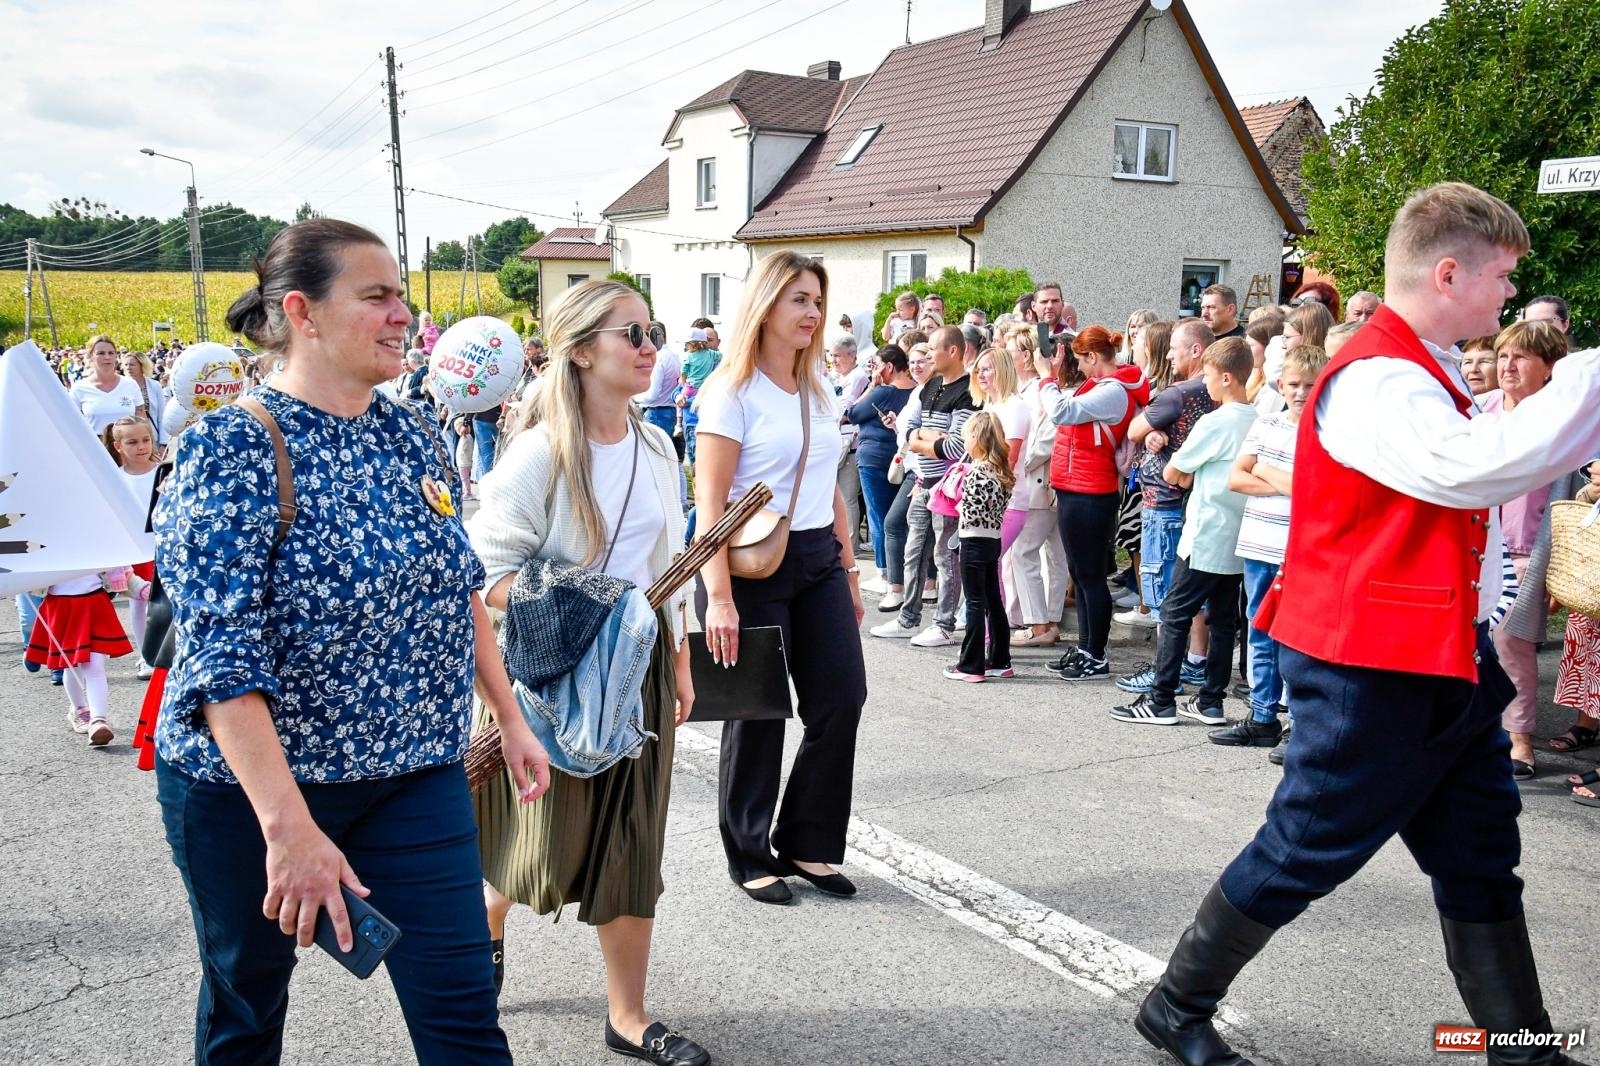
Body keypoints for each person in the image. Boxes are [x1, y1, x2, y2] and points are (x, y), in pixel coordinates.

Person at [1135, 183, 1598, 1066]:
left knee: (1480, 856)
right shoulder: (1380, 376)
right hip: (1369, 662)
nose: (1511, 294)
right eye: (1502, 276)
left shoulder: (1418, 366)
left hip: (1437, 655)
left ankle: (1523, 1050)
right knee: (1305, 847)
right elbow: (1475, 469)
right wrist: (1589, 375)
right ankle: (1176, 1006)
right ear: (1449, 273)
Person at [152, 219, 548, 1064]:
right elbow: (222, 658)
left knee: (464, 1016)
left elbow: (457, 589)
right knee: (247, 1009)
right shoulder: (231, 447)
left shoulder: (410, 433)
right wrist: (288, 828)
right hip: (252, 793)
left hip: (415, 773)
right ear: (302, 312)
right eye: (378, 297)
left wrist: (510, 719)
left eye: (402, 295)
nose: (404, 315)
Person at [468, 281, 708, 1066]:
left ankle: (628, 1016)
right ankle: (488, 916)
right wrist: (585, 602)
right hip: (552, 676)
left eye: (652, 330)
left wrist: (679, 656)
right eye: (630, 333)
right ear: (579, 352)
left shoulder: (658, 446)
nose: (649, 346)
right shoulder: (541, 452)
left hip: (637, 672)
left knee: (632, 842)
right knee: (534, 844)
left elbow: (667, 565)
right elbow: (484, 571)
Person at [694, 251, 868, 906]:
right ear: (765, 304)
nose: (813, 312)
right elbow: (710, 503)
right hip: (750, 565)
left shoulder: (819, 388)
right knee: (757, 713)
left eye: (818, 301)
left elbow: (830, 490)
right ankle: (749, 852)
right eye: (799, 299)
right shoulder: (732, 392)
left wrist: (849, 571)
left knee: (842, 698)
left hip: (819, 557)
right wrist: (718, 597)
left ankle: (806, 841)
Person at [1111, 338, 1256, 726]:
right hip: (1237, 533)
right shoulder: (1258, 418)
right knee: (1223, 619)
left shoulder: (1215, 421)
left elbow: (1175, 472)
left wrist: (1187, 471)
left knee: (1175, 613)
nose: (1205, 382)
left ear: (1226, 377)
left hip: (1206, 530)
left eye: (1209, 375)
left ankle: (1161, 699)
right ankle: (1211, 699)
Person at [1209, 345, 1329, 749]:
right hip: (1259, 544)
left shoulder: (1328, 431)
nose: (1300, 392)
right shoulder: (1267, 424)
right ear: (1281, 384)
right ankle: (1262, 716)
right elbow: (1236, 478)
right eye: (1294, 384)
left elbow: (1312, 490)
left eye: (1309, 385)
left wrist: (1262, 468)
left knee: (1295, 637)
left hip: (1299, 550)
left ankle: (1297, 721)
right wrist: (1279, 479)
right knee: (1259, 631)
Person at [1480, 320, 1571, 779]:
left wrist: (1555, 568)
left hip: (1528, 550)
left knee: (1511, 645)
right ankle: (1475, 732)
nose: (1507, 366)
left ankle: (1519, 738)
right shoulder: (1481, 408)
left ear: (1549, 367)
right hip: (1475, 543)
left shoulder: (1562, 418)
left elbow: (1571, 496)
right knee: (1472, 643)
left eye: (1521, 357)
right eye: (1503, 356)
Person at [1047, 326, 1151, 681]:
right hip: (1076, 487)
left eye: (1080, 360)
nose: (1078, 367)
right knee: (1080, 573)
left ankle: (1096, 654)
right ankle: (1085, 647)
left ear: (1093, 356)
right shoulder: (1103, 386)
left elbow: (1061, 411)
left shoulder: (1113, 391)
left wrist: (1047, 378)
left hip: (1091, 492)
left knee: (1091, 577)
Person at [869, 325, 977, 647]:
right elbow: (910, 428)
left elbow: (955, 446)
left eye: (933, 349)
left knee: (944, 558)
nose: (928, 356)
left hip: (948, 489)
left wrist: (920, 440)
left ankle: (944, 625)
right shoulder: (930, 385)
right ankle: (908, 618)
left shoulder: (967, 392)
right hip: (923, 482)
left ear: (953, 351)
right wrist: (924, 438)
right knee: (913, 552)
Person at [944, 411, 1016, 683]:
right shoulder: (1001, 470)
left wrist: (956, 497)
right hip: (992, 539)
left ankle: (970, 665)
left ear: (976, 437)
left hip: (973, 539)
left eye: (966, 437)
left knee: (974, 602)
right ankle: (1000, 659)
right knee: (993, 600)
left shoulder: (976, 472)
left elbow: (970, 511)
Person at [844, 345, 914, 586]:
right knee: (899, 519)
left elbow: (853, 413)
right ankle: (901, 572)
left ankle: (884, 572)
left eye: (876, 365)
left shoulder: (883, 391)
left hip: (875, 459)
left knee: (879, 517)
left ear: (889, 367)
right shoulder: (917, 391)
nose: (874, 370)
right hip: (902, 460)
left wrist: (872, 387)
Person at [103, 415, 161, 677]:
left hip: (162, 546)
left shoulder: (164, 471)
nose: (142, 446)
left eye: (146, 440)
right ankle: (146, 656)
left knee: (166, 602)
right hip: (133, 550)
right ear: (118, 446)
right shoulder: (114, 479)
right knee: (139, 604)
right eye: (133, 442)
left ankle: (168, 653)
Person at [70, 334, 145, 434]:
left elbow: (141, 418)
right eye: (101, 353)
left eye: (111, 353)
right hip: (95, 442)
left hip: (128, 441)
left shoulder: (130, 384)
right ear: (91, 356)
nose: (107, 357)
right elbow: (71, 422)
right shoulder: (79, 388)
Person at [121, 350, 170, 451]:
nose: (128, 367)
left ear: (142, 366)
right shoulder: (120, 386)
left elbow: (162, 416)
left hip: (152, 438)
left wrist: (163, 443)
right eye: (126, 365)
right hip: (127, 438)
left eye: (132, 364)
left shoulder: (154, 386)